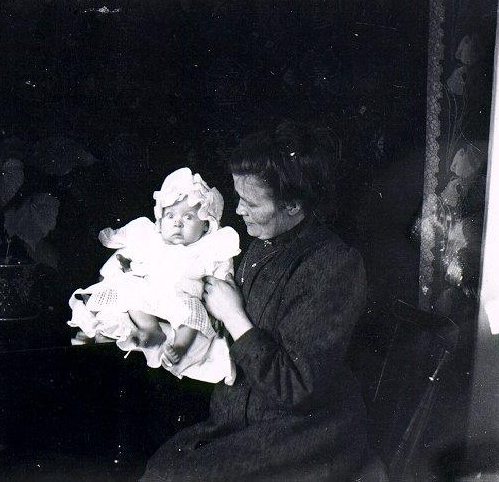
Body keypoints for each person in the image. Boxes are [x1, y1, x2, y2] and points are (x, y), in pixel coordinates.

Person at [142, 124, 384, 481]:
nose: (239, 210)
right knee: (160, 468)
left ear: (293, 205)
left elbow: (296, 386)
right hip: (245, 421)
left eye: (252, 203)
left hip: (305, 436)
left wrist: (233, 316)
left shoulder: (333, 265)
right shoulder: (262, 244)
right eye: (239, 197)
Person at [68, 167, 240, 384]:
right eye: (170, 215)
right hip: (151, 291)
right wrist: (126, 267)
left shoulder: (208, 248)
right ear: (160, 218)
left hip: (183, 299)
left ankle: (179, 347)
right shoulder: (151, 239)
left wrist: (220, 311)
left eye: (188, 217)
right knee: (128, 287)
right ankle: (149, 329)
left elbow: (222, 277)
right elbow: (130, 261)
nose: (177, 222)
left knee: (193, 314)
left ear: (206, 225)